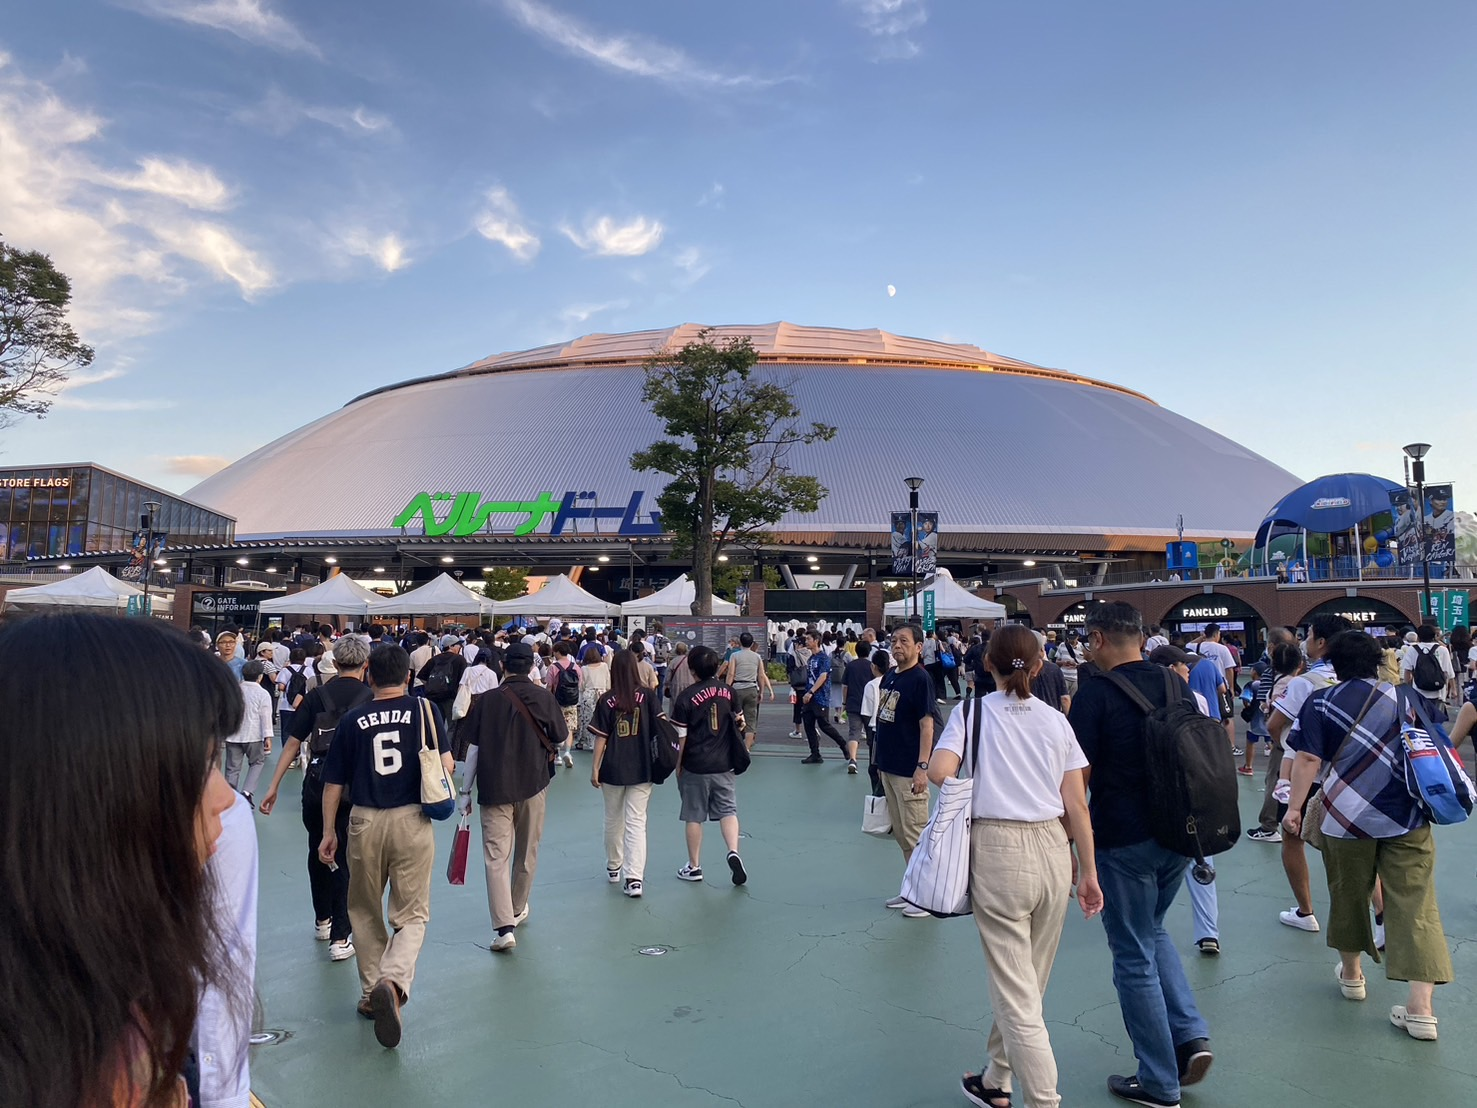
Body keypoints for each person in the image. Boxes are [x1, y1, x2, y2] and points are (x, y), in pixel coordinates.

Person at [1, 614, 242, 1108]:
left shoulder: (78, 995)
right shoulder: (100, 1067)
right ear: (104, 798)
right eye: (203, 765)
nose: (226, 798)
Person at [928, 625, 1102, 1108]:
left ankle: (1043, 1100)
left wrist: (962, 781)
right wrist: (1086, 869)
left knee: (1016, 990)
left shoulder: (972, 712)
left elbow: (941, 771)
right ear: (1041, 665)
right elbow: (1077, 805)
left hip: (997, 849)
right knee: (1030, 980)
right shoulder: (1055, 721)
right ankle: (996, 1077)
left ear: (987, 664)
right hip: (1052, 847)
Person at [1284, 631, 1468, 1041]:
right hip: (1406, 814)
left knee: (1348, 894)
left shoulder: (1320, 702)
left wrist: (1295, 809)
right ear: (1376, 661)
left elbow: (1309, 758)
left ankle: (1352, 976)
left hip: (1343, 820)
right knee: (1416, 902)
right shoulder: (1406, 697)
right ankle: (1421, 1009)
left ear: (1333, 663)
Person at [1068, 602, 1212, 1108]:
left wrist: (1076, 851)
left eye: (1089, 639)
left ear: (1101, 638)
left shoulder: (1095, 694)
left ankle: (1158, 1079)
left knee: (1132, 955)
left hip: (1122, 839)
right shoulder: (1178, 684)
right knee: (1152, 930)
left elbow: (1075, 783)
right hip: (1180, 833)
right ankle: (1190, 1034)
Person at [318, 644, 453, 1049]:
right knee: (412, 914)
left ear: (369, 677)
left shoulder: (353, 719)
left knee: (362, 908)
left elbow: (334, 783)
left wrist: (330, 830)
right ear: (408, 677)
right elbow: (446, 764)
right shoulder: (426, 711)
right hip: (412, 818)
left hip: (364, 819)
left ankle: (369, 992)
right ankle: (393, 982)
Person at [258, 635, 374, 964]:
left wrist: (274, 785)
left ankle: (322, 919)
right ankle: (341, 934)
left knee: (317, 847)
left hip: (317, 784)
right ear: (365, 665)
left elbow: (293, 743)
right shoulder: (370, 698)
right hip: (356, 787)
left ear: (334, 664)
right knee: (349, 857)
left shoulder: (316, 696)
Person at [459, 643, 567, 953]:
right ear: (531, 666)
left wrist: (465, 792)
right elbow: (559, 736)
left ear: (503, 665)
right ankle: (518, 907)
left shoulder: (488, 701)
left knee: (496, 857)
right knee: (527, 851)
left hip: (494, 787)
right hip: (533, 783)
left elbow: (473, 749)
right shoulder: (544, 697)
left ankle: (504, 927)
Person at [1268, 614, 1352, 932]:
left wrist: (1285, 751)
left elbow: (1277, 724)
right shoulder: (1360, 680)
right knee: (1354, 845)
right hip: (1349, 777)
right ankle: (1380, 915)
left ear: (1320, 643)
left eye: (1309, 635)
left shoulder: (1305, 683)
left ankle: (1306, 912)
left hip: (1307, 776)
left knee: (1292, 835)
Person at [1149, 644, 1223, 956]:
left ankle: (1152, 923)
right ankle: (1208, 931)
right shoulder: (1198, 701)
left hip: (1159, 791)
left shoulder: (1146, 702)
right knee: (1201, 858)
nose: (1188, 670)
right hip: (1197, 788)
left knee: (1154, 861)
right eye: (1183, 665)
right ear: (1170, 669)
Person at [670, 646, 749, 886]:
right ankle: (733, 850)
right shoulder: (729, 692)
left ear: (692, 669)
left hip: (695, 763)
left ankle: (694, 866)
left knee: (694, 815)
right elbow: (740, 721)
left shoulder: (685, 698)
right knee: (728, 810)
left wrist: (678, 765)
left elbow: (680, 737)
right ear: (716, 667)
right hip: (724, 762)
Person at [872, 624, 936, 919]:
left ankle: (925, 898)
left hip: (909, 769)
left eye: (904, 641)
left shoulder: (920, 679)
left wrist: (922, 766)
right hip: (888, 766)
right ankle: (911, 890)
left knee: (916, 835)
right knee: (901, 834)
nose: (897, 645)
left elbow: (927, 724)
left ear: (919, 647)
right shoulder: (890, 676)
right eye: (894, 640)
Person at [588, 649, 659, 898]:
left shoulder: (607, 699)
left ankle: (613, 865)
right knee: (637, 822)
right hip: (643, 766)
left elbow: (601, 737)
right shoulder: (649, 696)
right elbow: (660, 729)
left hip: (613, 766)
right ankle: (635, 878)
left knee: (612, 819)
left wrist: (595, 766)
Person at [1246, 633, 1301, 842]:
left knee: (1275, 781)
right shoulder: (1300, 682)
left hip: (1285, 743)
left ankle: (1269, 826)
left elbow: (1273, 720)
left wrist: (1277, 741)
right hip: (1301, 743)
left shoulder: (1276, 681)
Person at [799, 629, 849, 765]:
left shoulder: (824, 658)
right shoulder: (810, 659)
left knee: (824, 725)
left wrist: (811, 692)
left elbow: (823, 676)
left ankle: (843, 745)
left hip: (820, 697)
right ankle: (815, 754)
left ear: (816, 641)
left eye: (809, 639)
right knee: (808, 724)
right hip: (809, 697)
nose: (806, 641)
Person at [726, 631, 774, 752]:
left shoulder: (734, 656)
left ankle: (735, 746)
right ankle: (747, 748)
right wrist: (762, 691)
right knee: (751, 720)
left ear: (740, 642)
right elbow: (761, 676)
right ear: (752, 643)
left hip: (737, 688)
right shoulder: (757, 657)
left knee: (736, 718)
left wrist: (727, 688)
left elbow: (731, 673)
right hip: (752, 688)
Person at [1401, 623, 1456, 721]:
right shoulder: (1443, 650)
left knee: (1421, 721)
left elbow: (1407, 672)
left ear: (1418, 637)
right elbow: (1449, 672)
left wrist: (1407, 688)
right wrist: (1453, 690)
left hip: (1418, 690)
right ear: (1434, 636)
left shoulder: (1412, 650)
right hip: (1439, 691)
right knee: (1436, 721)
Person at [545, 640, 583, 769]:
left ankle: (558, 755)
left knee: (555, 727)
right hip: (571, 701)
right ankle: (567, 752)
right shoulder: (576, 667)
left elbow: (549, 685)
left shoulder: (553, 667)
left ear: (557, 652)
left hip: (556, 701)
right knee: (570, 728)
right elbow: (579, 684)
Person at [839, 641, 874, 774]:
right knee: (871, 732)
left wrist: (844, 703)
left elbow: (845, 686)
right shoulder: (872, 666)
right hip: (869, 705)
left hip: (853, 703)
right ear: (869, 651)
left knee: (854, 732)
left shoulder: (851, 666)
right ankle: (873, 760)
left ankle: (853, 759)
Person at [577, 642, 611, 751]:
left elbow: (581, 686)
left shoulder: (584, 669)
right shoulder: (604, 666)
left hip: (588, 694)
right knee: (602, 719)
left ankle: (585, 742)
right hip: (602, 693)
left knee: (586, 719)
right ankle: (601, 742)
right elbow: (608, 682)